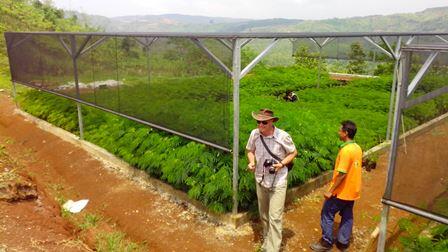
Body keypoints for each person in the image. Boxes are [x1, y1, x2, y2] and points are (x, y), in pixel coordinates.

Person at [246, 108, 297, 252]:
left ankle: (272, 248)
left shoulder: (283, 136)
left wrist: (282, 164)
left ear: (272, 122)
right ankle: (267, 239)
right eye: (258, 122)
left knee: (274, 216)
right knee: (263, 214)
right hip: (261, 179)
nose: (260, 125)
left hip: (278, 181)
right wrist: (251, 162)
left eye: (264, 122)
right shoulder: (254, 134)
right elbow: (250, 150)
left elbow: (293, 152)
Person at [310, 120, 363, 252]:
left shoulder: (346, 150)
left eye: (340, 130)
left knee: (327, 213)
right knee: (347, 215)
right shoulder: (357, 148)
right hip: (353, 191)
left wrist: (330, 190)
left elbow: (342, 174)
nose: (338, 132)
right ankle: (342, 242)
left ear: (346, 133)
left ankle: (326, 243)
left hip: (341, 191)